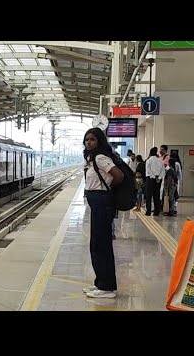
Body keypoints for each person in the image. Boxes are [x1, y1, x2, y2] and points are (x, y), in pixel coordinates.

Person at [82, 128, 124, 299]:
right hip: (97, 202)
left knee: (102, 245)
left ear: (99, 141)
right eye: (86, 140)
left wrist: (107, 191)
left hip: (101, 201)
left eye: (92, 139)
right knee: (96, 244)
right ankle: (101, 283)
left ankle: (107, 288)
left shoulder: (100, 158)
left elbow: (119, 176)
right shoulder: (92, 159)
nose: (88, 142)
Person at [145, 147, 165, 216]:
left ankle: (148, 211)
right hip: (158, 180)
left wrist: (153, 177)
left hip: (150, 179)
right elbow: (163, 171)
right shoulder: (160, 161)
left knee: (149, 196)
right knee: (157, 196)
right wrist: (158, 178)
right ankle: (157, 211)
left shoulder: (148, 161)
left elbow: (148, 171)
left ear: (150, 153)